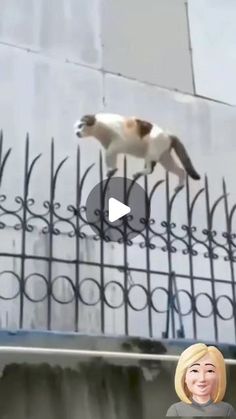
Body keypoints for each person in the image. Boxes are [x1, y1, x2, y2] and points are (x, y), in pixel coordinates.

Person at [166, 342, 236, 416]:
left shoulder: (226, 410)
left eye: (209, 371)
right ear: (184, 377)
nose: (202, 378)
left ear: (219, 377)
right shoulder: (176, 411)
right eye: (195, 371)